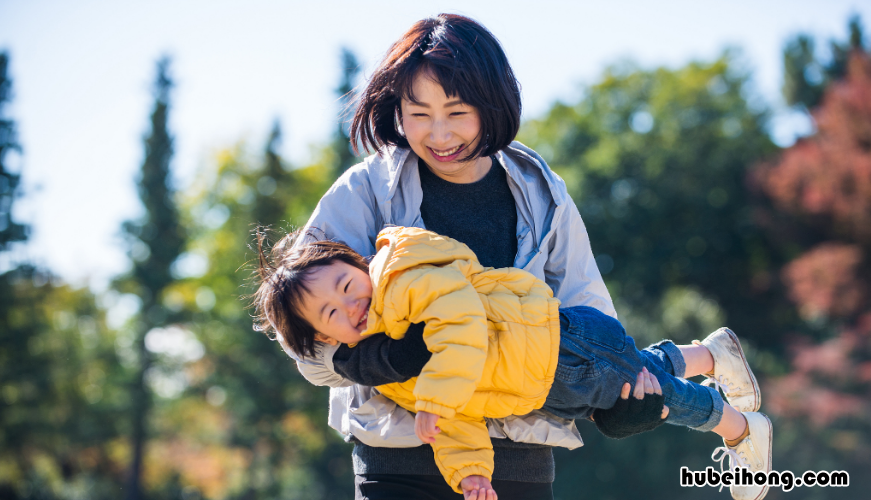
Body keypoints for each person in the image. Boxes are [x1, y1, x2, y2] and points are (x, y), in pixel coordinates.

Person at [273, 12, 684, 500]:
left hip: (520, 463)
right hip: (397, 461)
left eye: (458, 111)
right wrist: (379, 359)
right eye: (419, 114)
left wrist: (614, 404)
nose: (439, 135)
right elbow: (301, 332)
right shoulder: (363, 192)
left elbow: (586, 318)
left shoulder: (544, 197)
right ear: (396, 109)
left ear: (493, 103)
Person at [252, 226, 773, 500]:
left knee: (654, 395)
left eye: (347, 285)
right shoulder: (387, 370)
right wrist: (472, 472)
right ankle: (712, 353)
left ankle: (739, 426)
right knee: (638, 368)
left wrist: (435, 397)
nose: (351, 306)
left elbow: (461, 327)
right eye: (332, 314)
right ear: (324, 338)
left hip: (560, 345)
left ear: (358, 263)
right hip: (547, 383)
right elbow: (455, 417)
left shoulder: (403, 282)